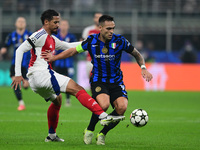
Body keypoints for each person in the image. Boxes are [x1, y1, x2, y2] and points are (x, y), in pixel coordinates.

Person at [11, 9, 125, 143]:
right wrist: (18, 74)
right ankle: (103, 115)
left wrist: (92, 41)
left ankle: (51, 136)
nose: (58, 25)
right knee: (77, 89)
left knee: (57, 101)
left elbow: (68, 46)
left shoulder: (52, 38)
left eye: (58, 22)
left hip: (37, 80)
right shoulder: (40, 34)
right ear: (46, 22)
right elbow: (20, 49)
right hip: (41, 74)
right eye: (55, 22)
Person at [41, 15, 153, 145]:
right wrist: (54, 58)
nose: (111, 31)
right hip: (98, 80)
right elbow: (73, 51)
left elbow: (137, 54)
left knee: (122, 107)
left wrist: (143, 67)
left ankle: (103, 133)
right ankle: (89, 129)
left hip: (116, 81)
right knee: (103, 105)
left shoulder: (120, 41)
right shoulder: (91, 41)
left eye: (113, 28)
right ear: (100, 28)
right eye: (108, 28)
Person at [0, 17, 32, 111]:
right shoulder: (11, 35)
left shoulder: (30, 35)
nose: (21, 23)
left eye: (23, 21)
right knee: (15, 83)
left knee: (26, 86)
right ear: (16, 24)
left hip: (26, 65)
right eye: (19, 21)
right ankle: (21, 103)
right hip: (15, 64)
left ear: (25, 24)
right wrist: (3, 50)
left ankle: (26, 84)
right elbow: (6, 46)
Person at [54, 19, 77, 106]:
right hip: (57, 63)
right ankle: (56, 99)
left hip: (68, 64)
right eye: (62, 25)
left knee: (68, 82)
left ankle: (68, 100)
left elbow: (76, 48)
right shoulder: (55, 36)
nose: (63, 26)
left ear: (68, 26)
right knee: (56, 81)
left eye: (65, 25)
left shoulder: (71, 37)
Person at [81, 12, 103, 77]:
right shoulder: (88, 30)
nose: (98, 19)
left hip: (102, 60)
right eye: (96, 17)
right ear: (94, 19)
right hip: (89, 59)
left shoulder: (105, 31)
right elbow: (82, 43)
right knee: (91, 79)